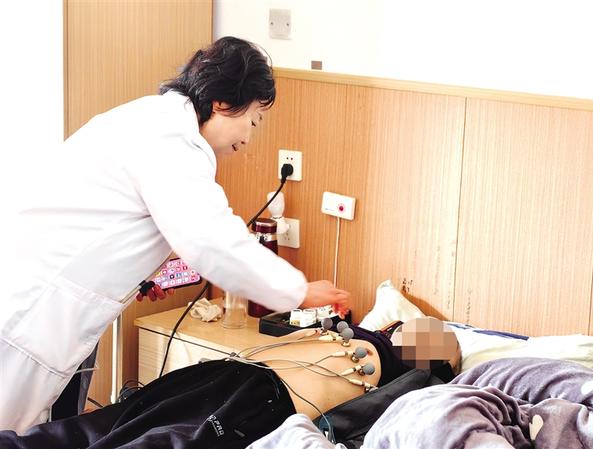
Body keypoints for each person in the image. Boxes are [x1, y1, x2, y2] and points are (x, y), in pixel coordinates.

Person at [0, 36, 350, 434]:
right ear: (222, 102)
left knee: (44, 433)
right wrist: (298, 292)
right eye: (253, 120)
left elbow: (116, 220)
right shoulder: (173, 140)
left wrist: (140, 275)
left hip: (47, 304)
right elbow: (212, 239)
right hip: (33, 314)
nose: (248, 138)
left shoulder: (150, 118)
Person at [0, 317, 461, 449]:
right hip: (225, 373)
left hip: (266, 402)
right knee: (103, 425)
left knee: (158, 442)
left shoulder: (413, 378)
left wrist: (442, 363)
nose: (420, 330)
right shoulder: (353, 328)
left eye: (433, 335)